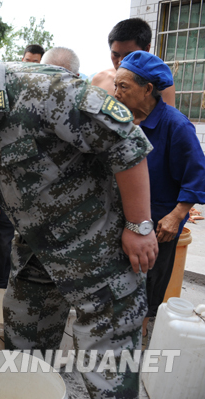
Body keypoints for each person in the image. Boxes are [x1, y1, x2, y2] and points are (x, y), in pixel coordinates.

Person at [0, 13, 158, 399]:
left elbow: (128, 143)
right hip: (38, 258)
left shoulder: (47, 90)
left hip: (98, 257)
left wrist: (140, 225)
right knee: (22, 357)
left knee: (108, 381)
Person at [114, 50, 205, 348]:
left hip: (159, 221)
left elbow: (196, 175)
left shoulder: (175, 126)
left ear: (148, 89)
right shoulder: (121, 120)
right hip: (122, 216)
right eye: (115, 85)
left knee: (150, 279)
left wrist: (178, 214)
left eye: (123, 87)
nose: (116, 93)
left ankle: (139, 331)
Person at [92, 18, 176, 107]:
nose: (121, 62)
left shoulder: (160, 85)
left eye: (129, 55)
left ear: (146, 49)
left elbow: (168, 119)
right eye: (116, 55)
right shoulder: (100, 80)